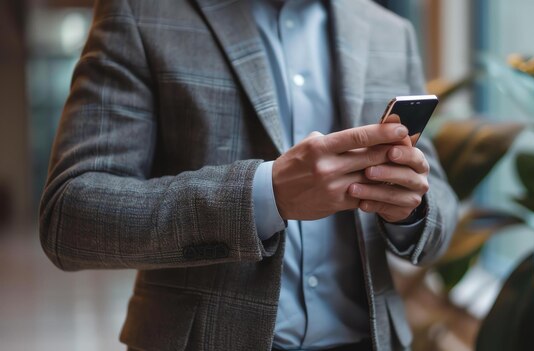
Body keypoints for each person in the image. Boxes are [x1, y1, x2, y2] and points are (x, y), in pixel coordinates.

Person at [39, 0, 458, 350]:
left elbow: (440, 204)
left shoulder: (390, 30)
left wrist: (411, 209)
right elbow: (70, 214)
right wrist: (264, 195)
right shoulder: (141, 12)